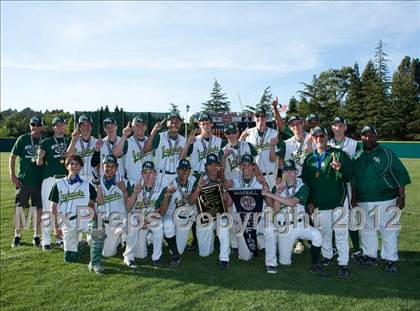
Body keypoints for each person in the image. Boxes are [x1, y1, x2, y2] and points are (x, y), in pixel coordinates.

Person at [352, 126, 411, 272]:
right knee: (367, 229)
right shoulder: (357, 155)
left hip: (387, 198)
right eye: (365, 136)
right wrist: (353, 198)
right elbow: (353, 179)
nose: (368, 138)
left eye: (371, 135)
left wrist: (402, 196)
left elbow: (400, 174)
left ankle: (390, 259)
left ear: (376, 136)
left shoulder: (386, 153)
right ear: (361, 137)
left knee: (389, 229)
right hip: (364, 199)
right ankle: (370, 256)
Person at [301, 126, 353, 278]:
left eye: (321, 136)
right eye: (316, 136)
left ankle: (343, 263)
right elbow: (306, 182)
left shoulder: (337, 154)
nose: (319, 139)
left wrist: (340, 168)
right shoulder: (309, 159)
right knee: (324, 233)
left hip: (338, 201)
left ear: (326, 136)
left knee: (341, 234)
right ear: (313, 138)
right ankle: (327, 256)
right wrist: (309, 201)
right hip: (319, 203)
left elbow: (350, 176)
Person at [262, 159, 326, 276]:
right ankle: (283, 248)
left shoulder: (303, 186)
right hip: (285, 228)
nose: (289, 173)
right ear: (284, 173)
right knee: (285, 262)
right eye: (286, 171)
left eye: (292, 171)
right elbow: (276, 211)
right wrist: (276, 193)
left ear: (296, 172)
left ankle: (315, 264)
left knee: (317, 235)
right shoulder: (278, 188)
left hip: (301, 224)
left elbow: (292, 202)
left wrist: (270, 194)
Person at [49, 154, 105, 274]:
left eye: (78, 164)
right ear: (67, 166)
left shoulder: (87, 185)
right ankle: (82, 244)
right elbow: (53, 207)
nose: (75, 166)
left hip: (84, 218)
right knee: (69, 258)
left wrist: (98, 186)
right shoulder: (58, 184)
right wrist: (55, 228)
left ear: (80, 167)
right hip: (67, 221)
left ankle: (95, 262)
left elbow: (100, 201)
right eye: (72, 164)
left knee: (98, 228)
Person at [225, 154, 278, 274]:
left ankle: (271, 263)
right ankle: (258, 239)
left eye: (249, 164)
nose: (246, 167)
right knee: (245, 258)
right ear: (239, 167)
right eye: (243, 165)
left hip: (258, 220)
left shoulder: (260, 182)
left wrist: (265, 186)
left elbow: (270, 204)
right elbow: (228, 204)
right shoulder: (234, 182)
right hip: (242, 223)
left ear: (253, 166)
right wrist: (227, 191)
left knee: (271, 230)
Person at [179, 112, 225, 250]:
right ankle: (196, 240)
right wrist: (188, 143)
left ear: (212, 124)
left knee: (215, 205)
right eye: (202, 123)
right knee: (196, 208)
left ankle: (217, 238)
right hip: (198, 176)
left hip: (213, 176)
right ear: (199, 125)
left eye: (207, 122)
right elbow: (181, 158)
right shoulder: (194, 140)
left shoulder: (219, 141)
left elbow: (223, 160)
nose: (205, 125)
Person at [271, 115, 313, 255]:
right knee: (295, 209)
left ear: (303, 124)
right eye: (292, 125)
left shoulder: (312, 138)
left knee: (314, 211)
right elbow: (279, 162)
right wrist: (278, 179)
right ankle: (299, 241)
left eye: (298, 123)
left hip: (312, 179)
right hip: (294, 180)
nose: (296, 127)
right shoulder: (286, 143)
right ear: (290, 127)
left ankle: (316, 239)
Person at [189, 154, 231, 270]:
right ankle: (213, 242)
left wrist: (225, 196)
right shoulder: (200, 179)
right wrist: (198, 189)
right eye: (210, 165)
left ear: (218, 166)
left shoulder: (222, 179)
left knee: (224, 225)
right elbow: (191, 201)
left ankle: (224, 259)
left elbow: (230, 204)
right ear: (206, 166)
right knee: (204, 253)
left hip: (219, 216)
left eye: (215, 165)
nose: (212, 167)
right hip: (205, 218)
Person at [328, 116, 361, 260]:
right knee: (335, 216)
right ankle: (335, 247)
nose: (338, 128)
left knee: (352, 217)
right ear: (332, 128)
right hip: (334, 186)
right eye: (335, 126)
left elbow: (359, 165)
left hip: (350, 184)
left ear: (345, 127)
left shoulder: (354, 144)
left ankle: (357, 248)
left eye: (341, 125)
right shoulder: (326, 143)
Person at [123, 161, 166, 269]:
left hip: (149, 220)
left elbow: (158, 211)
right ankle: (128, 257)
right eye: (145, 172)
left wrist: (146, 221)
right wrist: (135, 193)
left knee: (159, 224)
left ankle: (156, 258)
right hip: (137, 219)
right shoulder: (135, 185)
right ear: (142, 174)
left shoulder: (161, 188)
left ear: (155, 174)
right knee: (141, 255)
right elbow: (128, 208)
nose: (148, 175)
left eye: (150, 172)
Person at [9, 117, 44, 248]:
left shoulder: (44, 140)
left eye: (38, 124)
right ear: (30, 126)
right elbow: (12, 157)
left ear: (42, 127)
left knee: (38, 210)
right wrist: (12, 175)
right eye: (32, 124)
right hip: (23, 181)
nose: (35, 127)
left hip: (39, 181)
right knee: (19, 208)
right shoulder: (23, 139)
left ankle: (36, 236)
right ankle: (17, 235)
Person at [37, 116, 69, 250]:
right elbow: (39, 158)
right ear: (53, 127)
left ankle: (60, 238)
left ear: (65, 126)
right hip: (50, 178)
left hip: (65, 179)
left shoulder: (70, 141)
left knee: (62, 209)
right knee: (47, 209)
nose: (59, 127)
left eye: (62, 124)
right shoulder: (46, 141)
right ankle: (46, 240)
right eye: (57, 125)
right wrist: (40, 157)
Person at [159, 159, 197, 266]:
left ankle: (175, 249)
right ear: (177, 170)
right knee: (167, 224)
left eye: (187, 169)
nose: (184, 172)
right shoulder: (170, 184)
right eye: (181, 169)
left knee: (180, 249)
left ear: (190, 171)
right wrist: (167, 195)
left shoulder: (193, 180)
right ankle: (175, 255)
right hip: (170, 214)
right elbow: (162, 212)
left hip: (184, 217)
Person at [96, 155, 129, 259]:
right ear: (102, 167)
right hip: (105, 223)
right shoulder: (96, 182)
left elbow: (129, 204)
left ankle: (122, 237)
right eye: (107, 166)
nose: (109, 169)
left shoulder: (124, 181)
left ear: (117, 167)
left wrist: (124, 190)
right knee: (106, 253)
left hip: (120, 222)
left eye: (112, 166)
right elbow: (97, 203)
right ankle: (118, 240)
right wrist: (97, 188)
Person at [239, 107, 278, 190]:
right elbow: (238, 149)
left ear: (267, 117)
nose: (260, 118)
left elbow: (275, 158)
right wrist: (242, 137)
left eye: (263, 116)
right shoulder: (248, 132)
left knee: (270, 202)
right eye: (257, 116)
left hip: (270, 176)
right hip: (254, 176)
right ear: (254, 117)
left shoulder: (274, 133)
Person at [144, 112, 186, 188]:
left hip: (177, 176)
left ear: (180, 124)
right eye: (171, 122)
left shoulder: (183, 140)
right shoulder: (159, 137)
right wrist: (154, 130)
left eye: (176, 122)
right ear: (167, 124)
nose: (174, 124)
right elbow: (146, 150)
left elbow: (183, 158)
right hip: (161, 176)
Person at [114, 116, 153, 185]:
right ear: (132, 127)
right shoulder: (127, 142)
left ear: (146, 127)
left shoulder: (150, 141)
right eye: (137, 125)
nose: (140, 127)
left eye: (142, 125)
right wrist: (124, 135)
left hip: (148, 182)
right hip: (132, 181)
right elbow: (116, 154)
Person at [66, 114, 100, 182]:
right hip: (77, 176)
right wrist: (73, 141)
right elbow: (67, 157)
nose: (86, 127)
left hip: (93, 177)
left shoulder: (97, 142)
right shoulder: (74, 141)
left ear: (91, 126)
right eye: (83, 125)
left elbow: (100, 162)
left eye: (88, 125)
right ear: (79, 127)